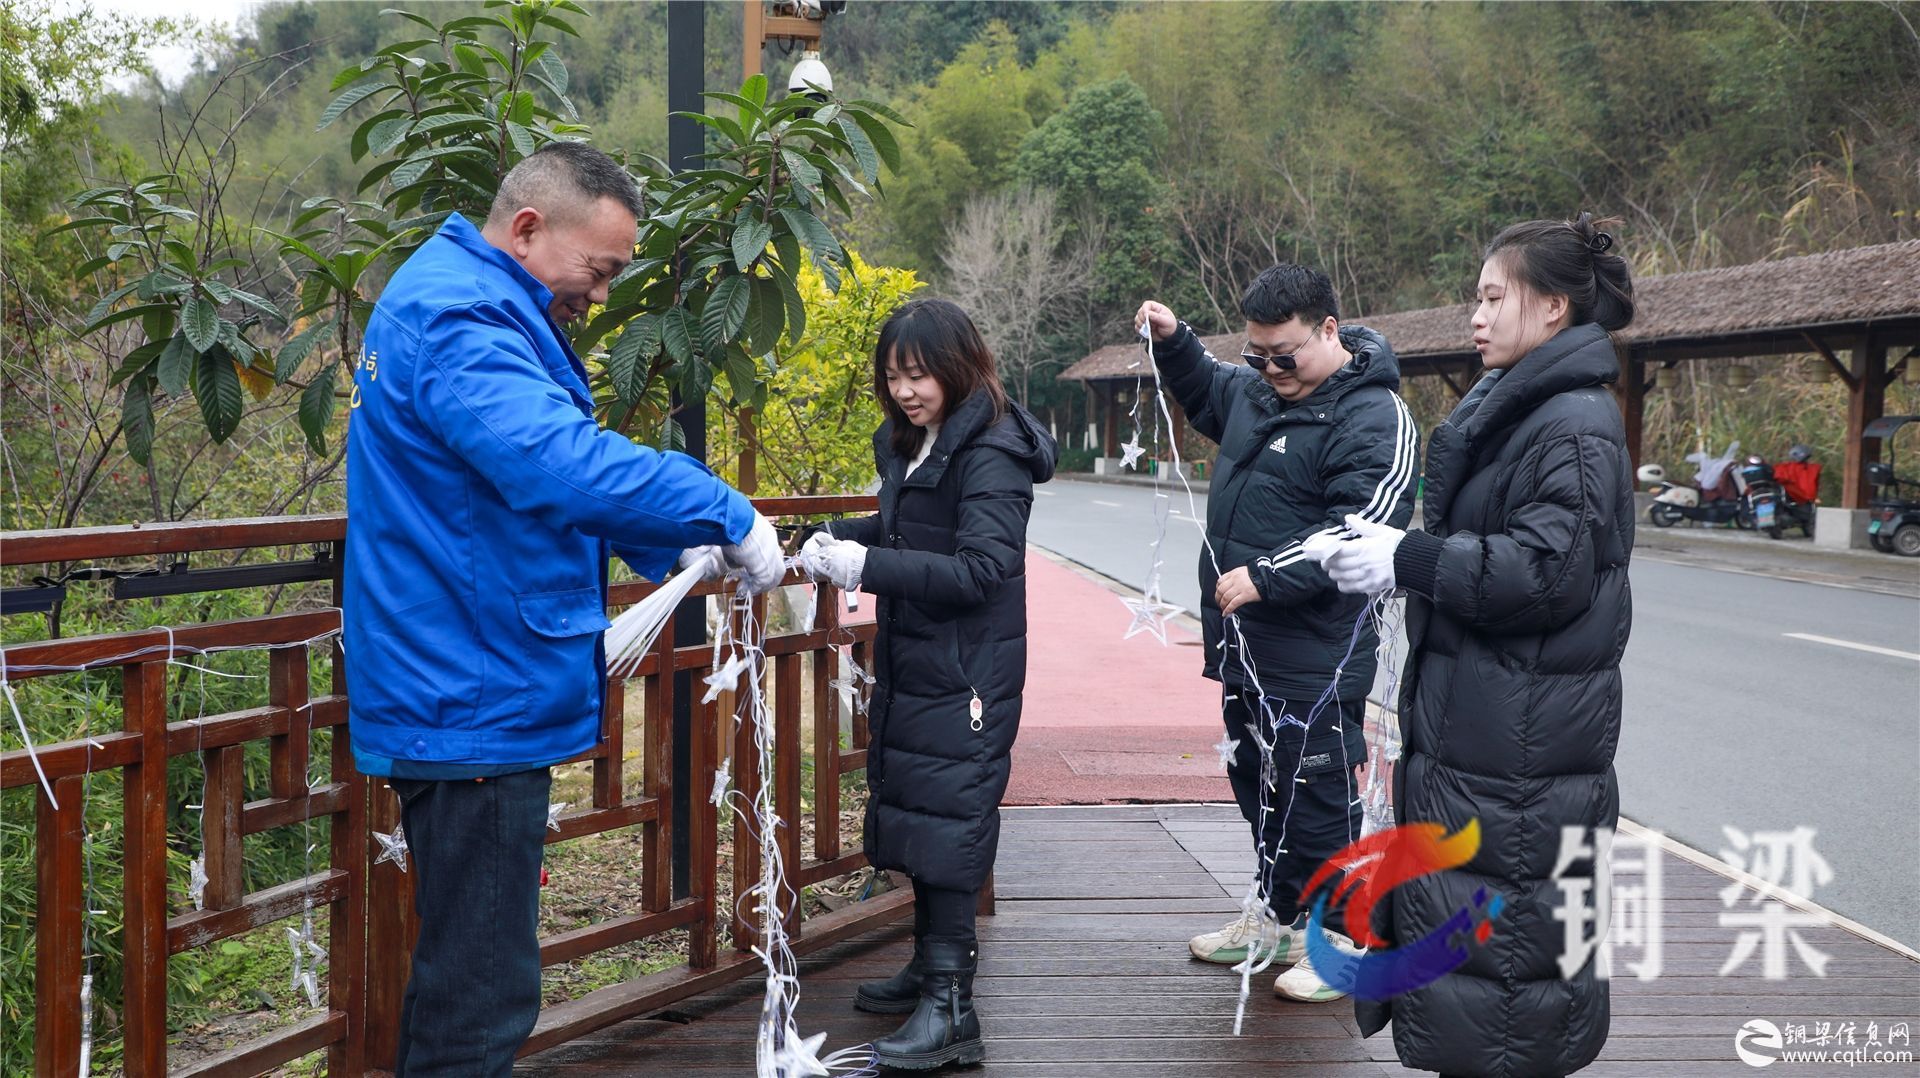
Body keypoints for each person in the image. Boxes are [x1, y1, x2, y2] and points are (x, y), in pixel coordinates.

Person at [343, 142, 785, 1076]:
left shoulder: (469, 297)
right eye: (600, 269)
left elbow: (510, 493)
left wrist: (673, 544)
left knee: (467, 968)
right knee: (482, 993)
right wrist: (725, 510)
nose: (599, 295)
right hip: (471, 692)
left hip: (466, 672)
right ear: (530, 228)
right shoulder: (463, 317)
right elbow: (555, 464)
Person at [1317, 212, 1636, 1077]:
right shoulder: (1529, 409)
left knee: (1505, 980)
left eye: (1496, 297)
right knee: (1488, 973)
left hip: (1521, 757)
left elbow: (1546, 573)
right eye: (1478, 297)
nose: (1477, 314)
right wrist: (1394, 564)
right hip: (1496, 745)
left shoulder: (1569, 423)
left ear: (1555, 310)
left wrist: (1409, 557)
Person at [1134, 263, 1417, 1003]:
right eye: (1257, 354)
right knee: (1258, 782)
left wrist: (1268, 573)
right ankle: (1280, 915)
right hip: (1245, 647)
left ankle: (1345, 939)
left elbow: (1367, 526)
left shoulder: (1375, 416)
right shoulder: (1260, 389)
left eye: (1282, 354)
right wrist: (1175, 342)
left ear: (1329, 331)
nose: (1268, 369)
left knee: (1319, 793)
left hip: (1318, 651)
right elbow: (1207, 387)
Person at [797, 298, 1056, 1070]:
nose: (904, 389)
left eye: (918, 374)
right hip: (922, 658)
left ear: (958, 366)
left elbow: (982, 569)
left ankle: (954, 1008)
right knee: (920, 805)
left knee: (951, 814)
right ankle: (929, 965)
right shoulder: (914, 440)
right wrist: (840, 538)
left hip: (968, 667)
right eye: (892, 375)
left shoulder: (993, 447)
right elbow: (909, 530)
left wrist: (865, 568)